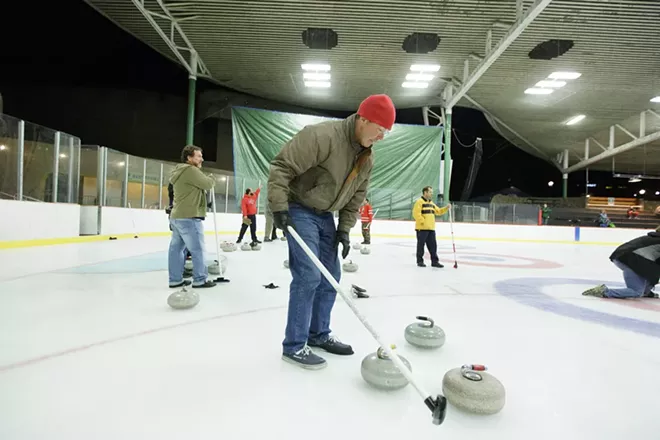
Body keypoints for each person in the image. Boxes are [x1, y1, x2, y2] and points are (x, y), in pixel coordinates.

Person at [268, 94, 396, 370]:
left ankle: (318, 333)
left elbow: (356, 196)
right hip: (299, 208)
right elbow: (282, 166)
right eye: (381, 130)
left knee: (332, 277)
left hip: (325, 216)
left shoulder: (366, 157)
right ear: (364, 119)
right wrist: (279, 208)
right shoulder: (321, 136)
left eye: (386, 132)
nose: (382, 137)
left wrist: (345, 230)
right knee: (309, 276)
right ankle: (294, 346)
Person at [168, 145, 217, 289]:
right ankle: (200, 279)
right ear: (189, 158)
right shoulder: (190, 170)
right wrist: (212, 177)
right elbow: (207, 184)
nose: (202, 159)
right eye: (198, 156)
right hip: (189, 217)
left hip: (177, 216)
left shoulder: (179, 171)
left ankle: (175, 279)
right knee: (198, 249)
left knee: (176, 250)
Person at [582, 225, 660, 299]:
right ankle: (604, 291)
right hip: (632, 261)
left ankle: (646, 290)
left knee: (652, 272)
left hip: (623, 257)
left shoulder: (652, 238)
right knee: (636, 292)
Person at [412, 186, 450, 268]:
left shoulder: (431, 203)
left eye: (432, 192)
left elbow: (438, 211)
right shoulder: (419, 202)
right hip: (422, 229)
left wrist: (446, 208)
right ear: (425, 192)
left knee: (433, 246)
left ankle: (435, 262)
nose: (431, 194)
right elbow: (416, 214)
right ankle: (420, 261)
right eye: (430, 192)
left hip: (431, 229)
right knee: (421, 246)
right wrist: (423, 221)